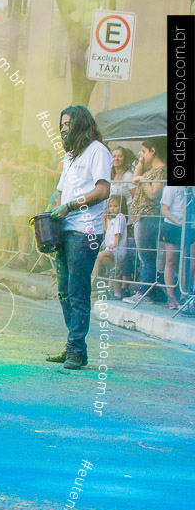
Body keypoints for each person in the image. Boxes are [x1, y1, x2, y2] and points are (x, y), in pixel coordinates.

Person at [46, 105, 111, 370]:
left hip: (86, 231)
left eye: (68, 123)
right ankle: (74, 347)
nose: (63, 128)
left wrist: (70, 207)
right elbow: (60, 191)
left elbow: (103, 190)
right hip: (65, 228)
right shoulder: (71, 155)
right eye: (61, 124)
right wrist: (54, 205)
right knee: (63, 291)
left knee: (77, 291)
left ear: (81, 124)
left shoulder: (98, 151)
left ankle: (76, 350)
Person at [124, 137, 168, 304]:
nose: (141, 155)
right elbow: (135, 180)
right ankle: (149, 290)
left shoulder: (161, 170)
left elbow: (154, 194)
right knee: (145, 256)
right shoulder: (151, 171)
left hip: (149, 216)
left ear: (153, 150)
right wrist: (141, 166)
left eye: (144, 151)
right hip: (141, 216)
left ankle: (146, 292)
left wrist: (143, 180)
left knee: (146, 257)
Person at [92, 194, 128, 298]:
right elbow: (110, 233)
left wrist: (116, 242)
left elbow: (118, 232)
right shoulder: (112, 219)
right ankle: (117, 293)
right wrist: (105, 241)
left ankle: (113, 270)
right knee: (100, 262)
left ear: (121, 207)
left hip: (117, 249)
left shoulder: (120, 217)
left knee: (100, 256)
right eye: (111, 206)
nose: (112, 208)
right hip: (111, 248)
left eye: (115, 206)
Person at [159, 184, 189, 309]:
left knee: (187, 261)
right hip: (174, 225)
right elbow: (164, 209)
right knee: (171, 260)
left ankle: (184, 295)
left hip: (189, 225)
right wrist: (178, 222)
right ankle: (171, 296)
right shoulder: (171, 187)